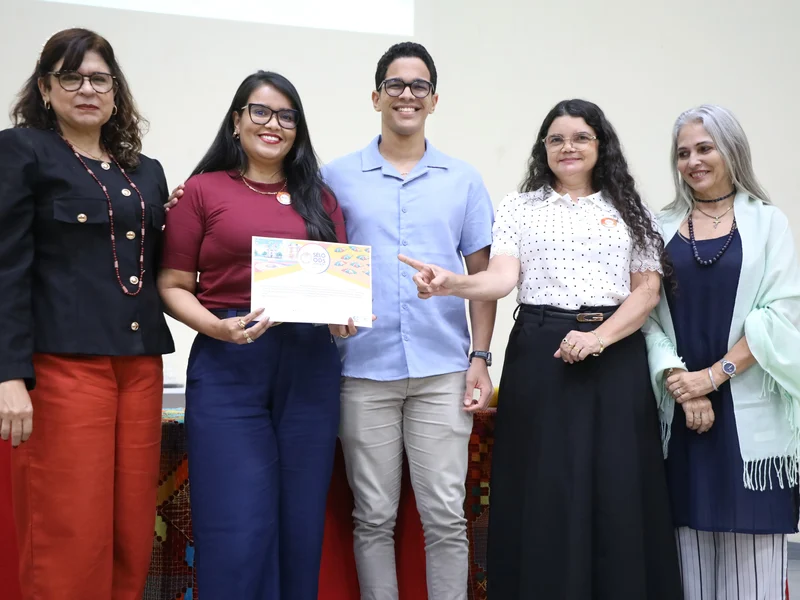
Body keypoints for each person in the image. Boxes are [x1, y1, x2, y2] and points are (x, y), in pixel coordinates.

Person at [400, 99, 683, 599]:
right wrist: (451, 284)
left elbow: (645, 293)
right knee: (543, 488)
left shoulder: (631, 211)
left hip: (615, 355)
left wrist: (597, 338)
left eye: (580, 137)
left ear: (601, 146)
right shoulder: (519, 206)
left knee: (617, 485)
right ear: (543, 148)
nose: (568, 147)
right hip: (540, 356)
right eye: (556, 139)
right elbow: (501, 279)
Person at [157, 70, 346, 600]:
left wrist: (343, 317)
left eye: (287, 116)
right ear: (237, 121)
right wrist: (215, 327)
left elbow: (341, 286)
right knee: (236, 521)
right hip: (229, 362)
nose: (273, 124)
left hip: (310, 365)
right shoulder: (201, 190)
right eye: (260, 111)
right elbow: (171, 285)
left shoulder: (321, 198)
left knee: (300, 521)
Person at [0, 28, 174, 600]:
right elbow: (6, 267)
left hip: (141, 367)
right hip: (63, 369)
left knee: (130, 529)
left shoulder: (145, 171)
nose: (87, 90)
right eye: (70, 78)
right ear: (45, 89)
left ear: (116, 91)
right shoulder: (22, 151)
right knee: (69, 530)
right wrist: (8, 373)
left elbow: (162, 267)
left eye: (100, 79)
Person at [319, 42, 496, 600]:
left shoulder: (463, 180)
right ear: (376, 97)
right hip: (363, 371)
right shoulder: (335, 176)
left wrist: (480, 357)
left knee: (445, 516)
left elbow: (481, 279)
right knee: (373, 516)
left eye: (419, 86)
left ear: (434, 100)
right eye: (395, 85)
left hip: (442, 370)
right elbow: (319, 264)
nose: (407, 95)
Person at [643, 104, 800, 600]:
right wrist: (684, 385)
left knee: (751, 575)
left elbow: (781, 314)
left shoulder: (768, 223)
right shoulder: (659, 226)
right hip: (681, 413)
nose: (693, 161)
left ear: (731, 150)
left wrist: (713, 376)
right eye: (683, 153)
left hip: (748, 412)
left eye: (705, 148)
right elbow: (646, 316)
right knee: (686, 564)